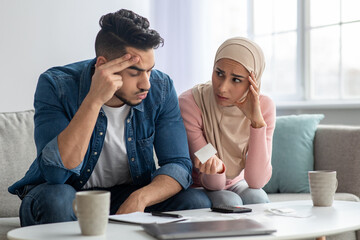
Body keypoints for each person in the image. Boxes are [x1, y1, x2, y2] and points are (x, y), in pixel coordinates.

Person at [8, 9, 211, 227]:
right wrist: (94, 100)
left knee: (195, 201)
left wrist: (139, 198)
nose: (146, 84)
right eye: (135, 72)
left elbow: (178, 164)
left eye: (149, 71)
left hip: (127, 194)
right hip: (67, 194)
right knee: (57, 199)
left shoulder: (161, 88)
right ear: (103, 65)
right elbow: (57, 173)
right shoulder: (57, 85)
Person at [178, 37, 276, 207]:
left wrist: (256, 122)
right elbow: (213, 182)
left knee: (257, 198)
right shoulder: (190, 103)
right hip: (199, 184)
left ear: (253, 82)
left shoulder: (264, 106)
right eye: (219, 73)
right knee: (229, 201)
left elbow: (256, 181)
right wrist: (216, 167)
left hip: (237, 183)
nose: (222, 88)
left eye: (236, 79)